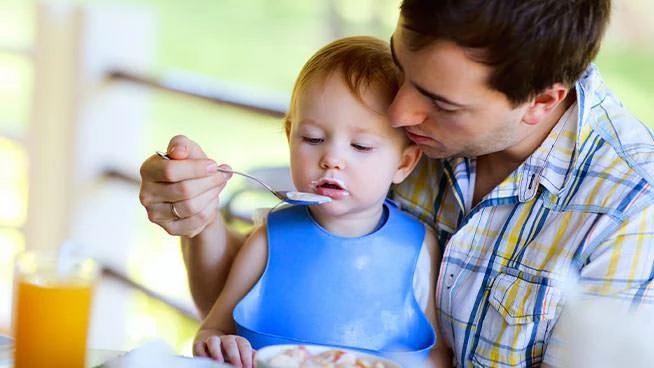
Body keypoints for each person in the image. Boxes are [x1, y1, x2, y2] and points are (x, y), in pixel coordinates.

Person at [139, 0, 654, 366]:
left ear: (541, 101)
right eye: (402, 65)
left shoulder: (629, 213)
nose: (401, 111)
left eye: (439, 102)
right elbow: (258, 299)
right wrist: (195, 216)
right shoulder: (389, 127)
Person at [188, 36, 448, 367]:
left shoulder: (418, 247)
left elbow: (436, 354)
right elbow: (212, 330)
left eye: (361, 146)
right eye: (313, 139)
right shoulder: (269, 239)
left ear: (403, 163)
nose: (332, 158)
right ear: (289, 137)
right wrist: (221, 345)